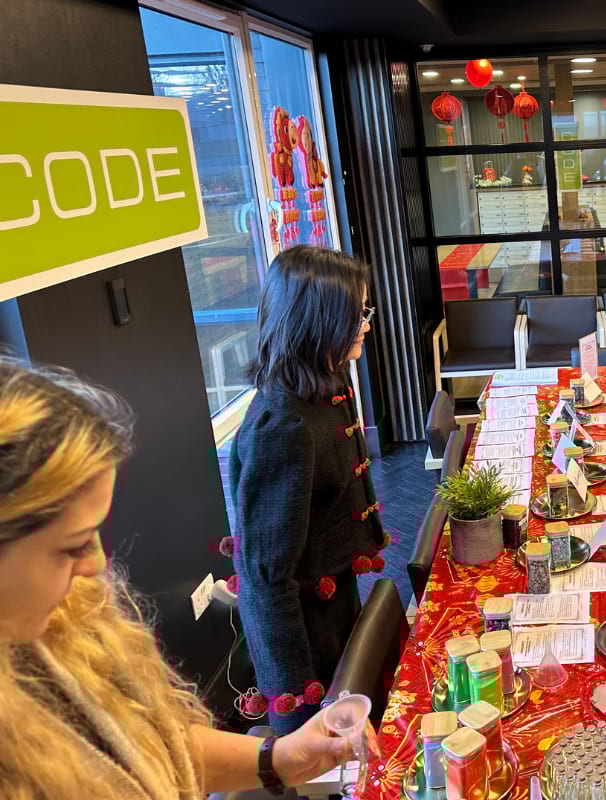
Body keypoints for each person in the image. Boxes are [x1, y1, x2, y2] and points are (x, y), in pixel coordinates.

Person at [0, 358, 366, 799]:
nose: (96, 564)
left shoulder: (71, 617)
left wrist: (279, 758)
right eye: (71, 545)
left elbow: (155, 744)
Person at [231, 245, 386, 734]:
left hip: (336, 599)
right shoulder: (284, 427)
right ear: (317, 320)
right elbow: (264, 581)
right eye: (357, 313)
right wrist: (297, 705)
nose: (366, 322)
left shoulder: (326, 382)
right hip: (305, 634)